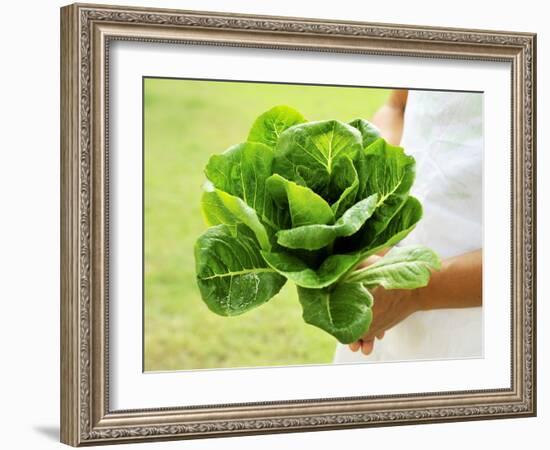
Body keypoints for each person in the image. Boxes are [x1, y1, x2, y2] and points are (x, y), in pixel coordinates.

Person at [333, 89, 483, 362]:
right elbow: (396, 106)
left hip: (483, 327)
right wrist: (374, 195)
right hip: (379, 291)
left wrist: (413, 291)